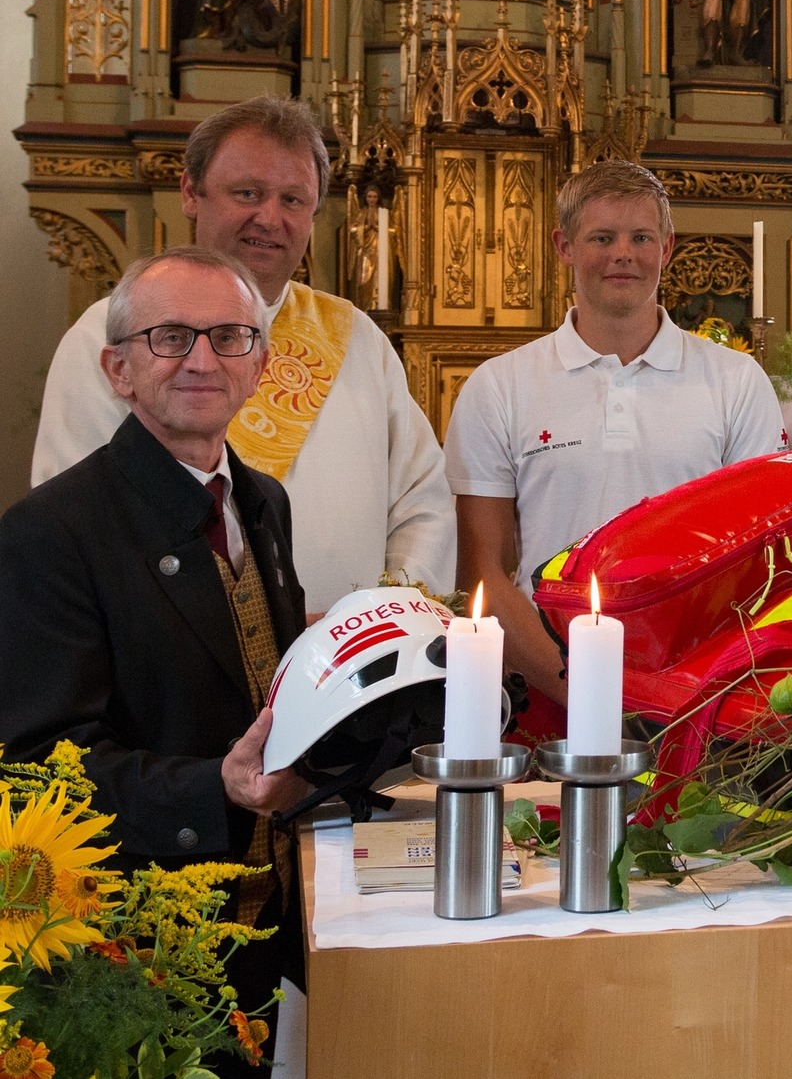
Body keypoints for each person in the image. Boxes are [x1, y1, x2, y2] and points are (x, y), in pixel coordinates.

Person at [1, 249, 315, 1059]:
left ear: (262, 364)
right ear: (119, 368)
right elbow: (39, 768)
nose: (204, 359)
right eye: (171, 336)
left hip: (259, 936)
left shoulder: (262, 502)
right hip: (130, 959)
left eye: (230, 336)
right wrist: (213, 786)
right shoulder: (49, 534)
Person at [33, 96, 455, 616]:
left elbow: (421, 505)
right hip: (174, 668)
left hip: (352, 669)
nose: (269, 218)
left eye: (293, 200)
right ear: (191, 191)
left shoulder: (357, 338)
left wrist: (382, 619)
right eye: (247, 193)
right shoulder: (111, 335)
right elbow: (81, 528)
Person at [444, 160, 785, 713]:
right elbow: (481, 573)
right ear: (564, 246)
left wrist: (680, 691)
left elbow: (756, 560)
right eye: (602, 237)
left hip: (699, 689)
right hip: (546, 685)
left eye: (640, 237)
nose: (623, 253)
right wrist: (584, 693)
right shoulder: (499, 386)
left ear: (667, 247)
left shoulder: (735, 381)